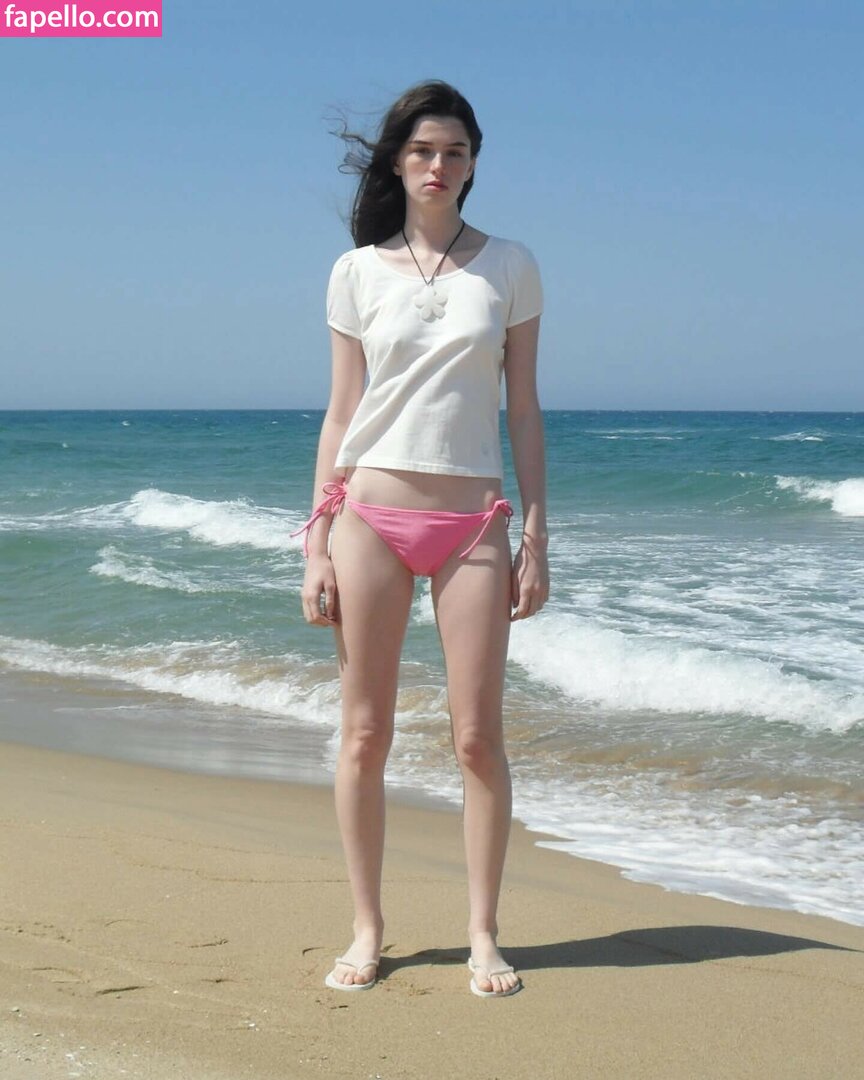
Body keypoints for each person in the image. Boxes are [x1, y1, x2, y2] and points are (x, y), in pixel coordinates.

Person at [294, 79, 548, 998]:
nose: (438, 165)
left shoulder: (510, 266)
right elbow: (341, 412)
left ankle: (482, 932)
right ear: (398, 162)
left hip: (473, 522)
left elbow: (524, 409)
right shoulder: (355, 271)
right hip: (368, 516)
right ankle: (368, 926)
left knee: (477, 738)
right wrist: (316, 541)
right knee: (364, 733)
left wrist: (537, 534)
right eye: (423, 151)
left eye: (455, 152)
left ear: (474, 164)